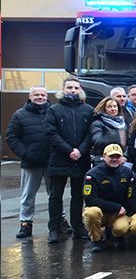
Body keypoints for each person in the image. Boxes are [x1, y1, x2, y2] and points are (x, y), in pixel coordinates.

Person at [45, 77, 95, 243]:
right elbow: (51, 133)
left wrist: (80, 151)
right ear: (63, 89)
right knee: (55, 195)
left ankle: (77, 227)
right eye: (69, 88)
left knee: (78, 196)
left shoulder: (88, 110)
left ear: (80, 90)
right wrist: (69, 151)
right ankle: (54, 228)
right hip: (59, 158)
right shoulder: (54, 110)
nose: (73, 90)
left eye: (76, 88)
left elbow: (90, 134)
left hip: (81, 159)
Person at [6, 86, 51, 239]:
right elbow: (11, 137)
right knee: (28, 195)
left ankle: (59, 221)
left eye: (43, 95)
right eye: (36, 94)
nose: (40, 97)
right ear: (30, 97)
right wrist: (25, 154)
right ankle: (25, 223)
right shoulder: (20, 115)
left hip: (51, 162)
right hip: (31, 163)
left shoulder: (53, 112)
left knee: (55, 195)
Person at [81, 144, 136, 253]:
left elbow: (132, 196)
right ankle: (96, 240)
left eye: (117, 157)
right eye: (111, 157)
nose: (114, 159)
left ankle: (116, 234)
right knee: (91, 212)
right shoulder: (92, 174)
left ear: (122, 158)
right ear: (104, 156)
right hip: (101, 212)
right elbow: (90, 199)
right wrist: (115, 207)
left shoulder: (127, 173)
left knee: (122, 228)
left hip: (119, 213)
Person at [89, 97, 128, 162]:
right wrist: (118, 134)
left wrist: (125, 156)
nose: (113, 109)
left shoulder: (123, 124)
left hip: (121, 160)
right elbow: (97, 141)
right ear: (104, 108)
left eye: (115, 106)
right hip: (102, 160)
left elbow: (128, 144)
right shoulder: (98, 123)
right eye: (109, 107)